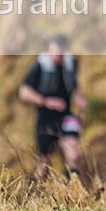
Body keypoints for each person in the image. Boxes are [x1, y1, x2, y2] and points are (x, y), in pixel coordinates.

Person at [18, 34, 86, 181]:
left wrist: (78, 98)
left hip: (66, 116)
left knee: (73, 154)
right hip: (45, 118)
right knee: (44, 162)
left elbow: (73, 86)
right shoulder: (40, 65)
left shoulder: (70, 65)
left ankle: (72, 191)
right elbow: (23, 92)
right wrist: (45, 101)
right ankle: (35, 195)